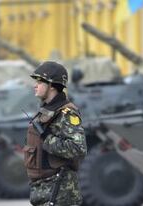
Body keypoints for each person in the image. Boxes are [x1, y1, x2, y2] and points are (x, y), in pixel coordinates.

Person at [24, 61, 87, 206]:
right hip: (42, 191)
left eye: (40, 82)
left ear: (52, 86)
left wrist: (47, 139)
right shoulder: (46, 111)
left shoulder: (66, 113)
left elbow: (78, 149)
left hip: (60, 193)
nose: (35, 85)